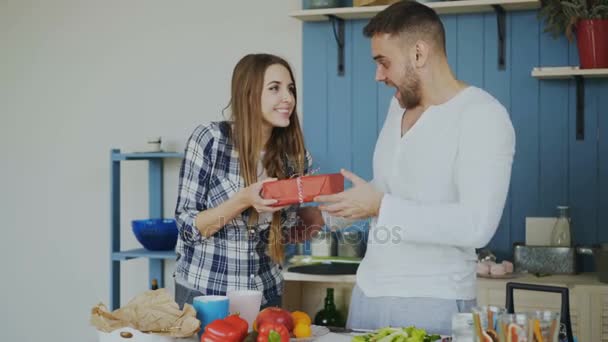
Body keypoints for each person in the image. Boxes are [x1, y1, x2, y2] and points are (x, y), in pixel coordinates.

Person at [315, 1, 516, 335]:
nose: (378, 75)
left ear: (419, 54)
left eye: (384, 62)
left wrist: (380, 205)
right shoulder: (399, 107)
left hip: (432, 301)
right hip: (368, 295)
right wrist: (323, 217)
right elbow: (387, 188)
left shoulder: (482, 116)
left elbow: (476, 225)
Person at [174, 53, 324, 309]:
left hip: (267, 294)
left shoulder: (296, 157)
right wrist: (242, 201)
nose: (288, 98)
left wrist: (317, 213)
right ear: (249, 94)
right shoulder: (210, 140)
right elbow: (187, 228)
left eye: (290, 89)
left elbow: (290, 235)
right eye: (274, 89)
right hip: (207, 294)